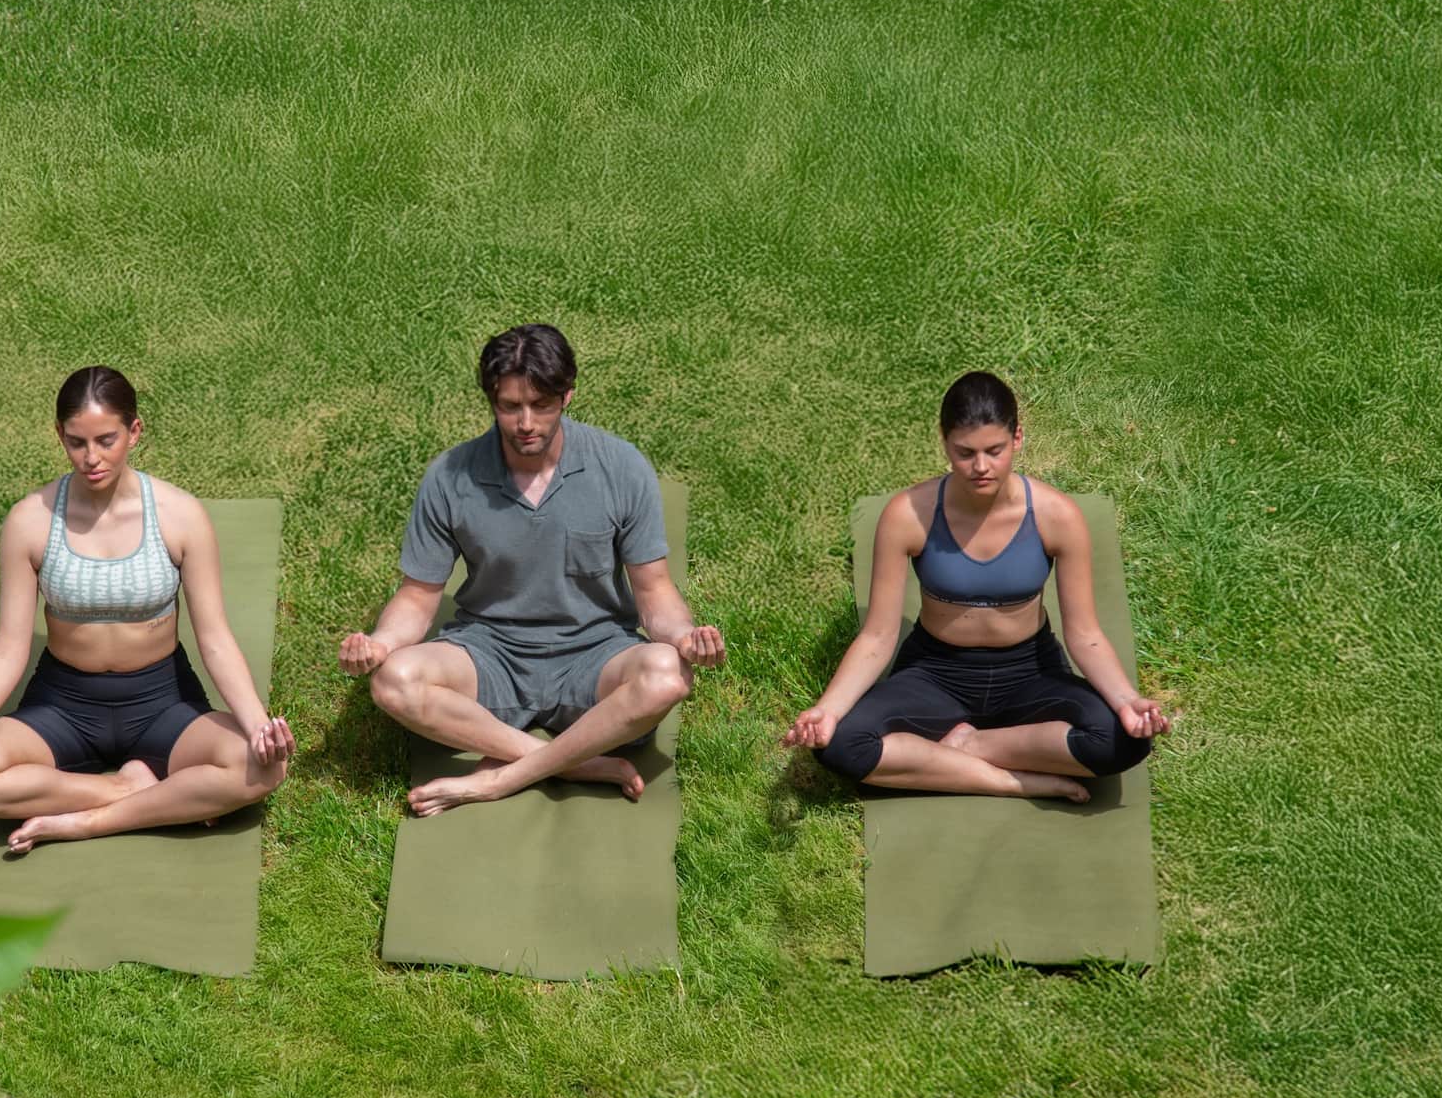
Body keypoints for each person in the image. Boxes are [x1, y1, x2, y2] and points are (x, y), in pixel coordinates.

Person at [339, 323, 725, 816]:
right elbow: (417, 597)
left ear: (567, 396)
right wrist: (382, 644)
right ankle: (578, 763)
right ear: (491, 401)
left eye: (541, 405)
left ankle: (501, 778)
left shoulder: (621, 468)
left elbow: (654, 592)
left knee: (669, 674)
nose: (526, 422)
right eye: (510, 406)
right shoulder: (450, 477)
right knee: (392, 680)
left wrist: (685, 637)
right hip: (489, 653)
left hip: (596, 655)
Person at [0, 366, 293, 852]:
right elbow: (8, 651)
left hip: (162, 701)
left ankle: (87, 822)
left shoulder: (180, 516)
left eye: (106, 440)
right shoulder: (30, 521)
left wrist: (259, 726)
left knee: (265, 768)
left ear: (134, 431)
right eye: (76, 442)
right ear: (60, 435)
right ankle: (127, 789)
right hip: (63, 705)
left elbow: (216, 641)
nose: (91, 458)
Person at [784, 371, 1168, 800]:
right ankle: (1012, 781)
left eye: (994, 451)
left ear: (1017, 438)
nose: (980, 467)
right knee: (839, 743)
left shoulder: (1057, 516)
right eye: (965, 453)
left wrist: (1126, 701)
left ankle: (968, 746)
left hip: (1030, 672)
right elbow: (877, 637)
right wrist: (827, 709)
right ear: (944, 442)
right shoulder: (908, 515)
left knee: (1125, 740)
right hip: (935, 673)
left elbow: (1085, 635)